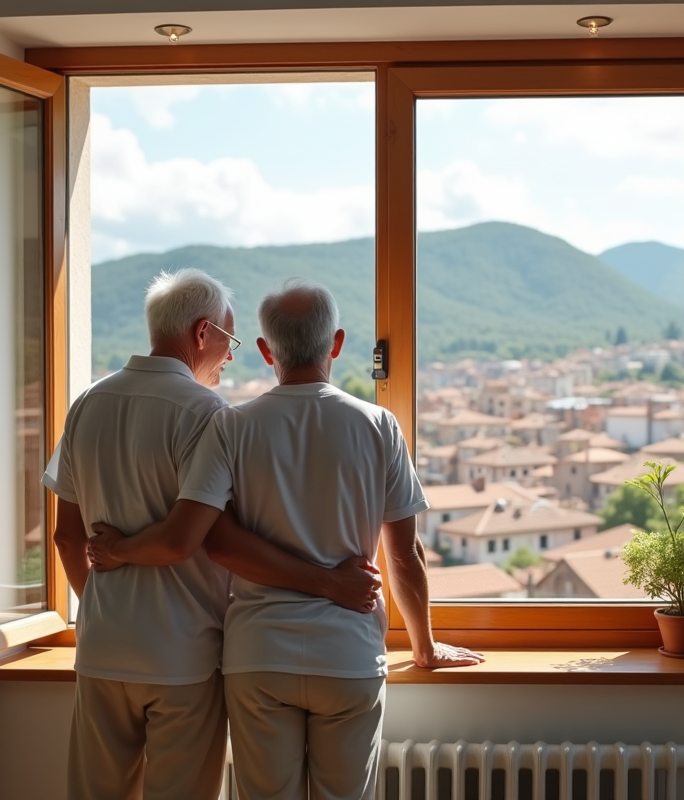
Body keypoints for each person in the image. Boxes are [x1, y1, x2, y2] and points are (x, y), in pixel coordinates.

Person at [88, 278, 483, 800]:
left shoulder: (231, 426)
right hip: (348, 654)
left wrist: (116, 549)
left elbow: (219, 544)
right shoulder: (379, 424)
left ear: (264, 350)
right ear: (337, 344)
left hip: (258, 657)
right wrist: (425, 647)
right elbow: (404, 556)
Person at [42, 269, 380, 800]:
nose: (229, 356)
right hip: (184, 653)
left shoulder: (87, 403)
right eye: (229, 340)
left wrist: (106, 602)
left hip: (103, 646)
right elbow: (197, 538)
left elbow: (66, 537)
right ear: (203, 334)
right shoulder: (207, 414)